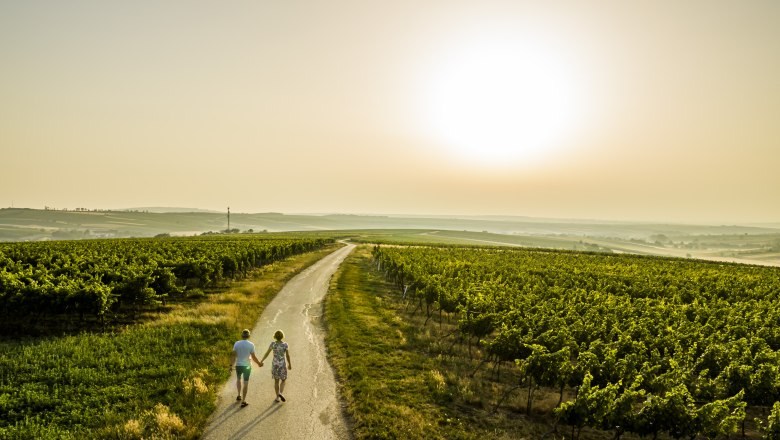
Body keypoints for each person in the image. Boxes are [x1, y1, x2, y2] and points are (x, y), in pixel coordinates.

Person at [229, 329, 262, 407]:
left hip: (238, 365)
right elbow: (253, 357)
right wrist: (259, 363)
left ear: (241, 335)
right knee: (246, 382)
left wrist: (230, 366)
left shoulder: (236, 344)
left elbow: (233, 356)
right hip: (247, 366)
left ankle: (238, 395)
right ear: (249, 336)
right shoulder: (251, 345)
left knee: (238, 379)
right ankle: (243, 401)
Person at [259, 329, 292, 403]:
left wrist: (261, 361)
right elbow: (287, 356)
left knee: (276, 381)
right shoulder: (285, 345)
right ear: (282, 336)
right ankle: (280, 393)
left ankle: (277, 397)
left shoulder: (273, 344)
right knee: (283, 380)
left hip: (275, 365)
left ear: (275, 336)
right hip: (282, 365)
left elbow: (267, 353)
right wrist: (290, 364)